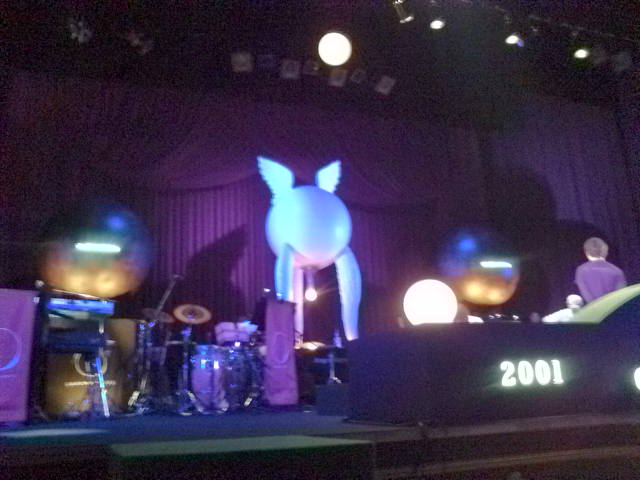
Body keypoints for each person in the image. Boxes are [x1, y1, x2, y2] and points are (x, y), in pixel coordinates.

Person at [575, 237, 626, 303]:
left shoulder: (581, 270)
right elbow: (621, 296)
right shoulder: (617, 271)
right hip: (614, 307)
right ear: (606, 251)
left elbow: (586, 294)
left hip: (594, 308)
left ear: (586, 253)